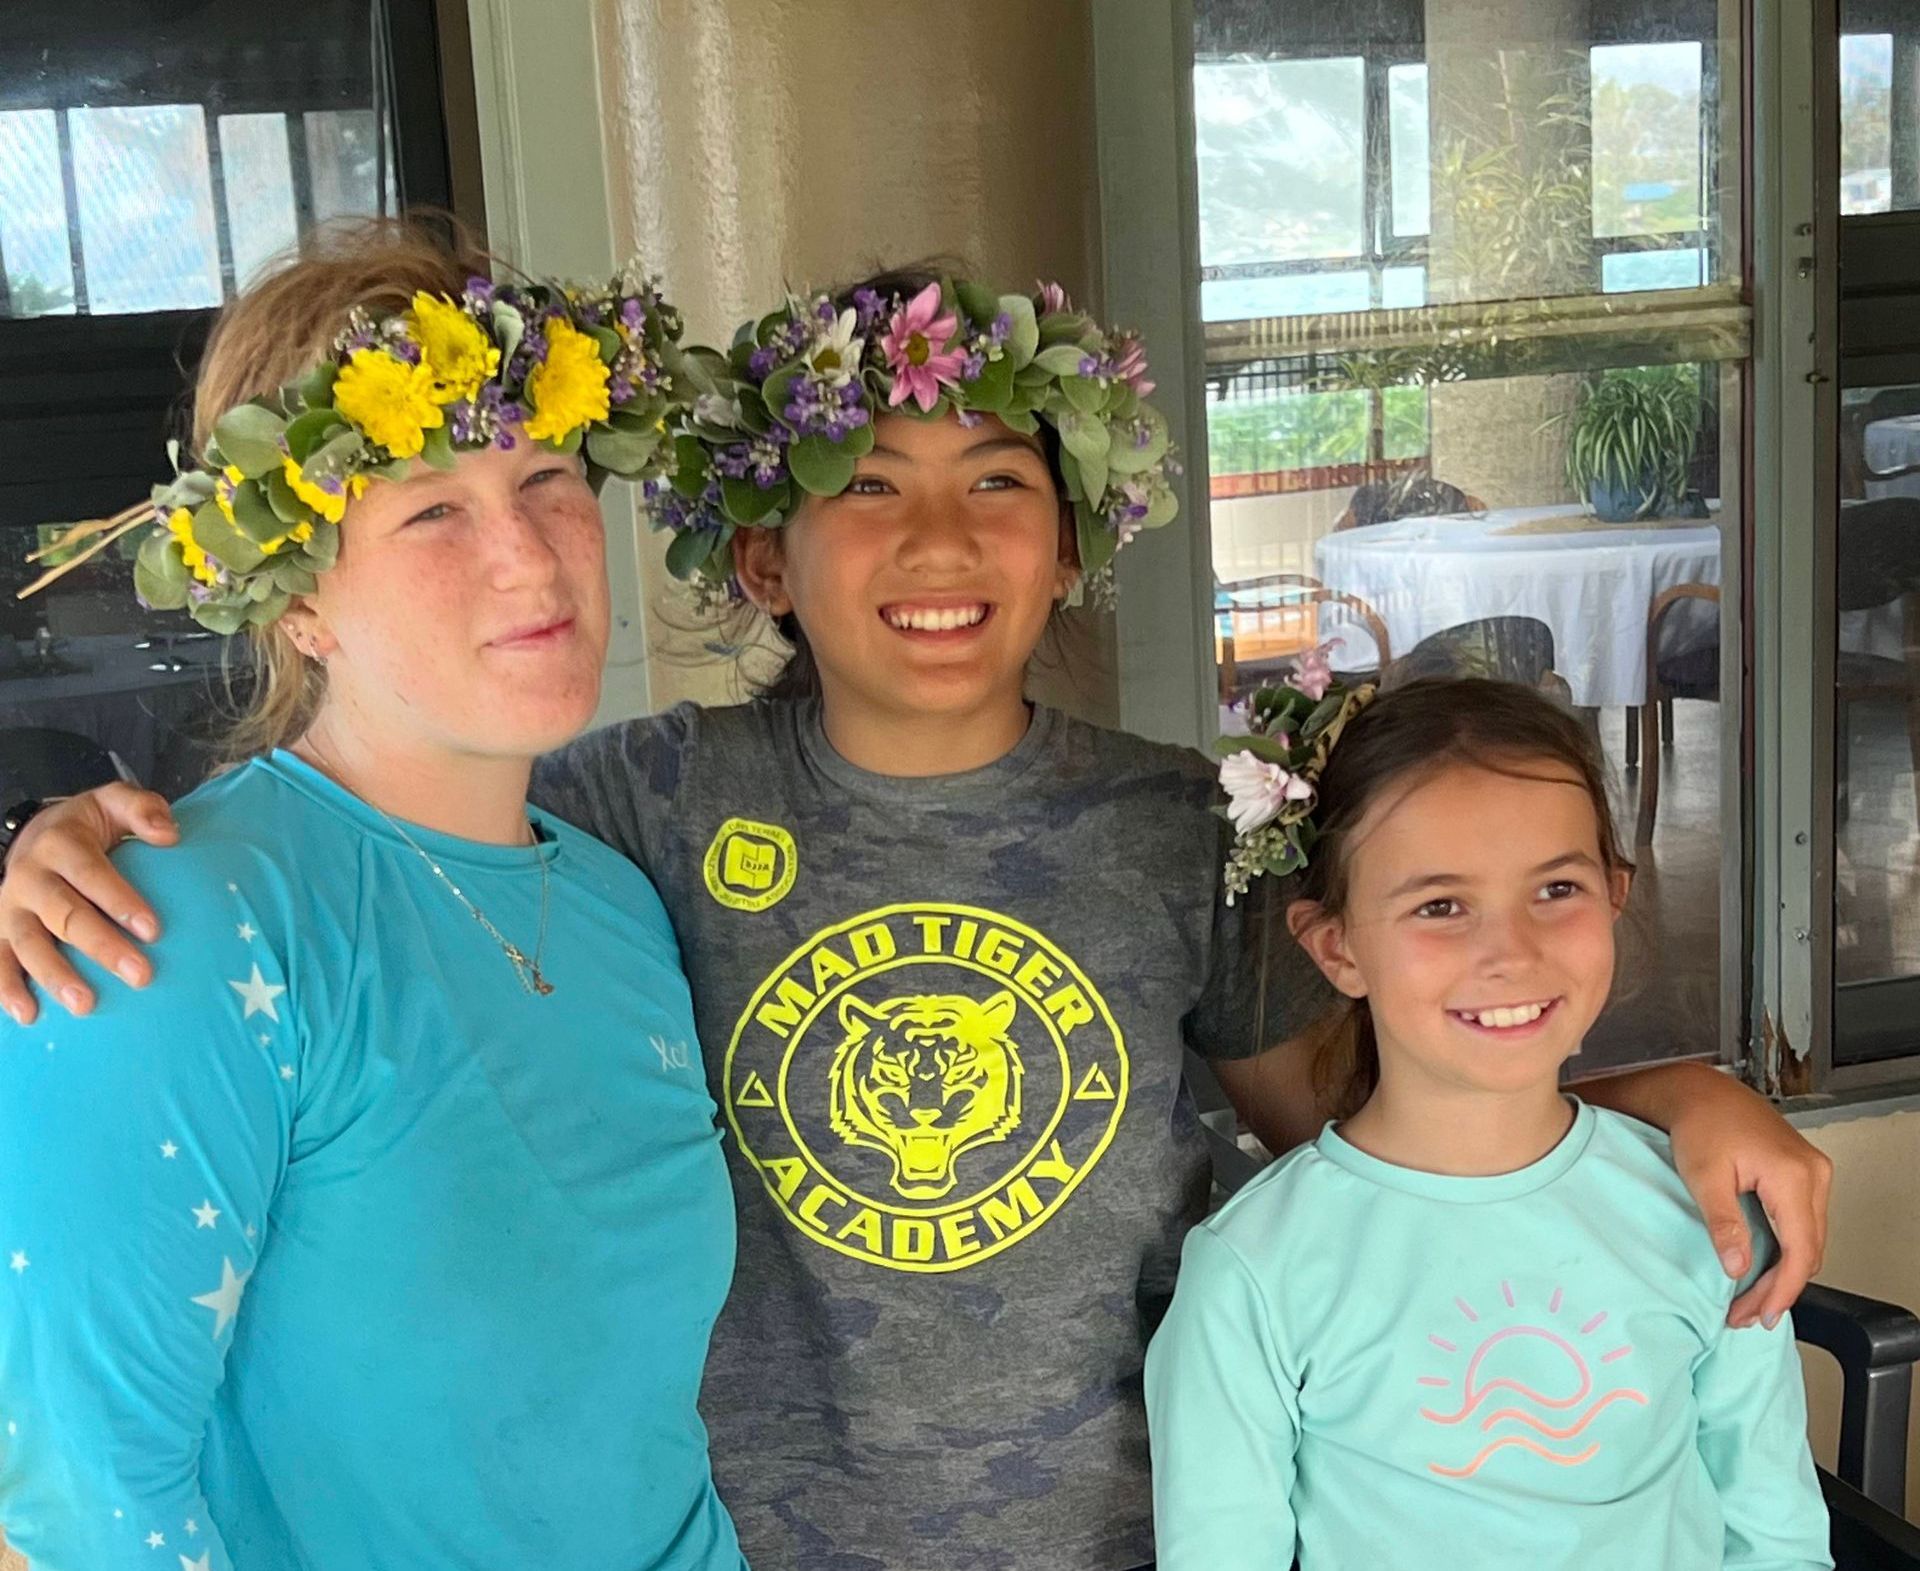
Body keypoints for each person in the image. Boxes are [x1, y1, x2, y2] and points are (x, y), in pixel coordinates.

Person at [0, 269, 1833, 1571]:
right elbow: (344, 837)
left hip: (1128, 1519)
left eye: (999, 488)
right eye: (858, 484)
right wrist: (78, 842)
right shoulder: (637, 801)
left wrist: (1671, 1098)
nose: (936, 541)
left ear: (1072, 542)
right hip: (777, 1534)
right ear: (760, 557)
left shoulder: (1171, 829)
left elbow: (1383, 1131)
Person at [0, 220, 744, 1570]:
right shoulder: (164, 925)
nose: (531, 556)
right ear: (295, 599)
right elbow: (79, 1500)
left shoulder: (622, 904)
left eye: (553, 475)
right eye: (432, 507)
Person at [1146, 676, 1830, 1569]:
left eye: (1556, 887)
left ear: (1617, 893)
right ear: (1337, 945)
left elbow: (1776, 1534)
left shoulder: (1711, 1215)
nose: (1510, 950)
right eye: (1440, 905)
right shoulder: (1254, 1273)